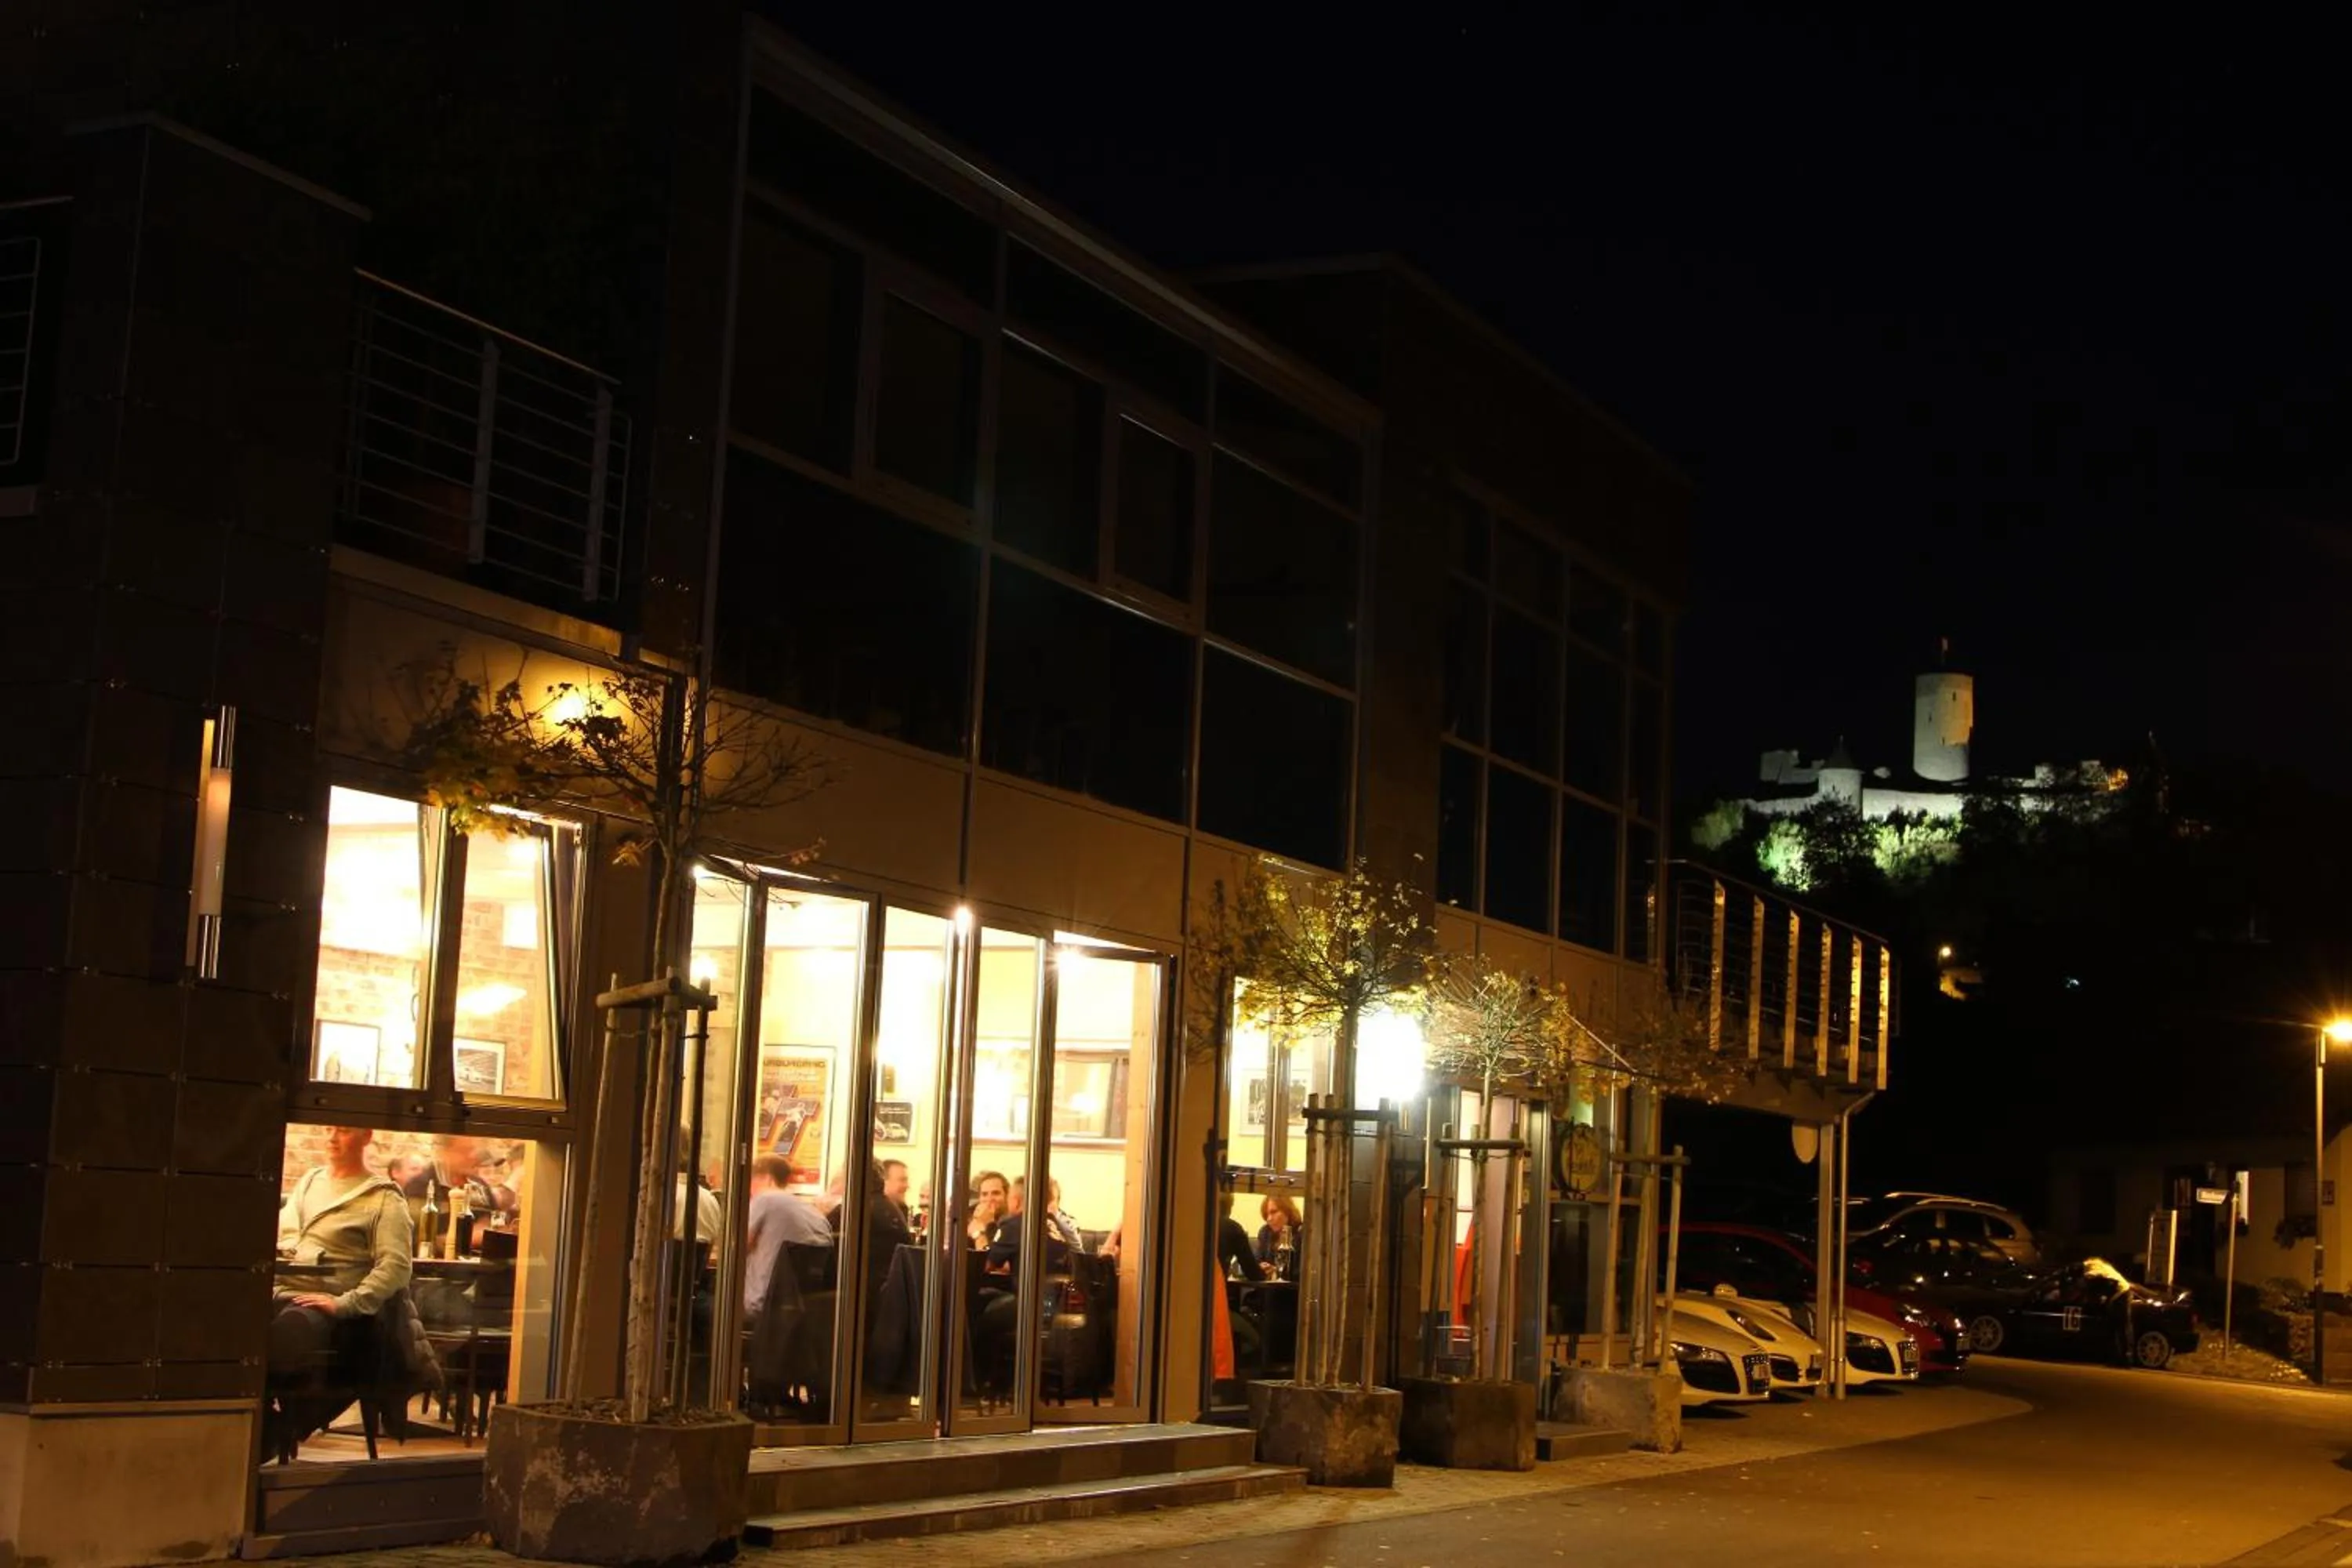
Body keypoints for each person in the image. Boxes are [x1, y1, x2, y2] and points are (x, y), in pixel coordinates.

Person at [269, 1127, 416, 1444]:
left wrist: (346, 1303)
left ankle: (282, 1429)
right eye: (329, 1129)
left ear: (365, 1137)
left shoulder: (382, 1197)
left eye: (344, 1130)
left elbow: (396, 1267)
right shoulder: (310, 1181)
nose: (333, 1137)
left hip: (335, 1311)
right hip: (284, 1291)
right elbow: (285, 1234)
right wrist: (297, 1253)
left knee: (291, 1330)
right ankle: (254, 1421)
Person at [742, 1153, 831, 1319]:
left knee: (701, 1306)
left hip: (759, 1304)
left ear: (767, 1179)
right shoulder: (814, 1213)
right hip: (800, 1308)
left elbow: (737, 1246)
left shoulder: (765, 1199)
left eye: (752, 1180)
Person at [1255, 1193, 1303, 1282]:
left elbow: (1302, 1272)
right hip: (1266, 1289)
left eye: (1273, 1212)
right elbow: (1257, 1260)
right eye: (1266, 1215)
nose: (1269, 1219)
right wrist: (1261, 1267)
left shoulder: (1301, 1233)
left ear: (1287, 1211)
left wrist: (1277, 1272)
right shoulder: (1265, 1232)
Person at [1218, 1193, 1265, 1280]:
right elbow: (1253, 1273)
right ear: (1229, 1207)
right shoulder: (1233, 1229)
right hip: (1216, 1287)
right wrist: (1265, 1273)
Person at [967, 1171, 1010, 1250]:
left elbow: (994, 1258)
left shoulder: (1013, 1225)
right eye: (984, 1194)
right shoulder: (971, 1221)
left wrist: (989, 1224)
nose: (989, 1199)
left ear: (1007, 1196)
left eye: (996, 1193)